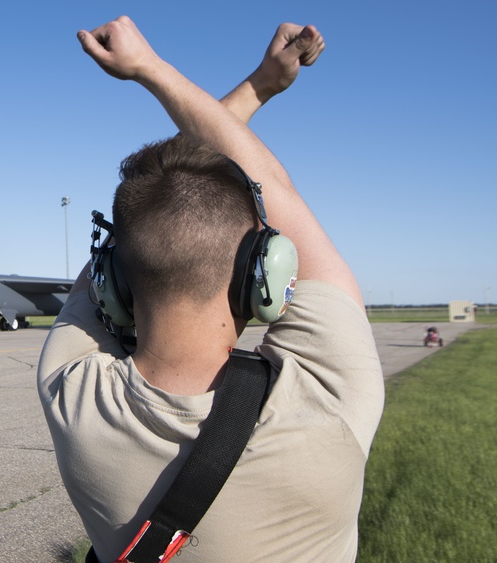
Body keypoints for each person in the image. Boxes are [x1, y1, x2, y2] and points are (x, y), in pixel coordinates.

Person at [37, 16, 384, 562]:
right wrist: (166, 73)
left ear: (115, 286)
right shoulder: (332, 399)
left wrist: (247, 85)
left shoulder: (70, 393)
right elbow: (270, 184)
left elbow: (146, 210)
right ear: (263, 271)